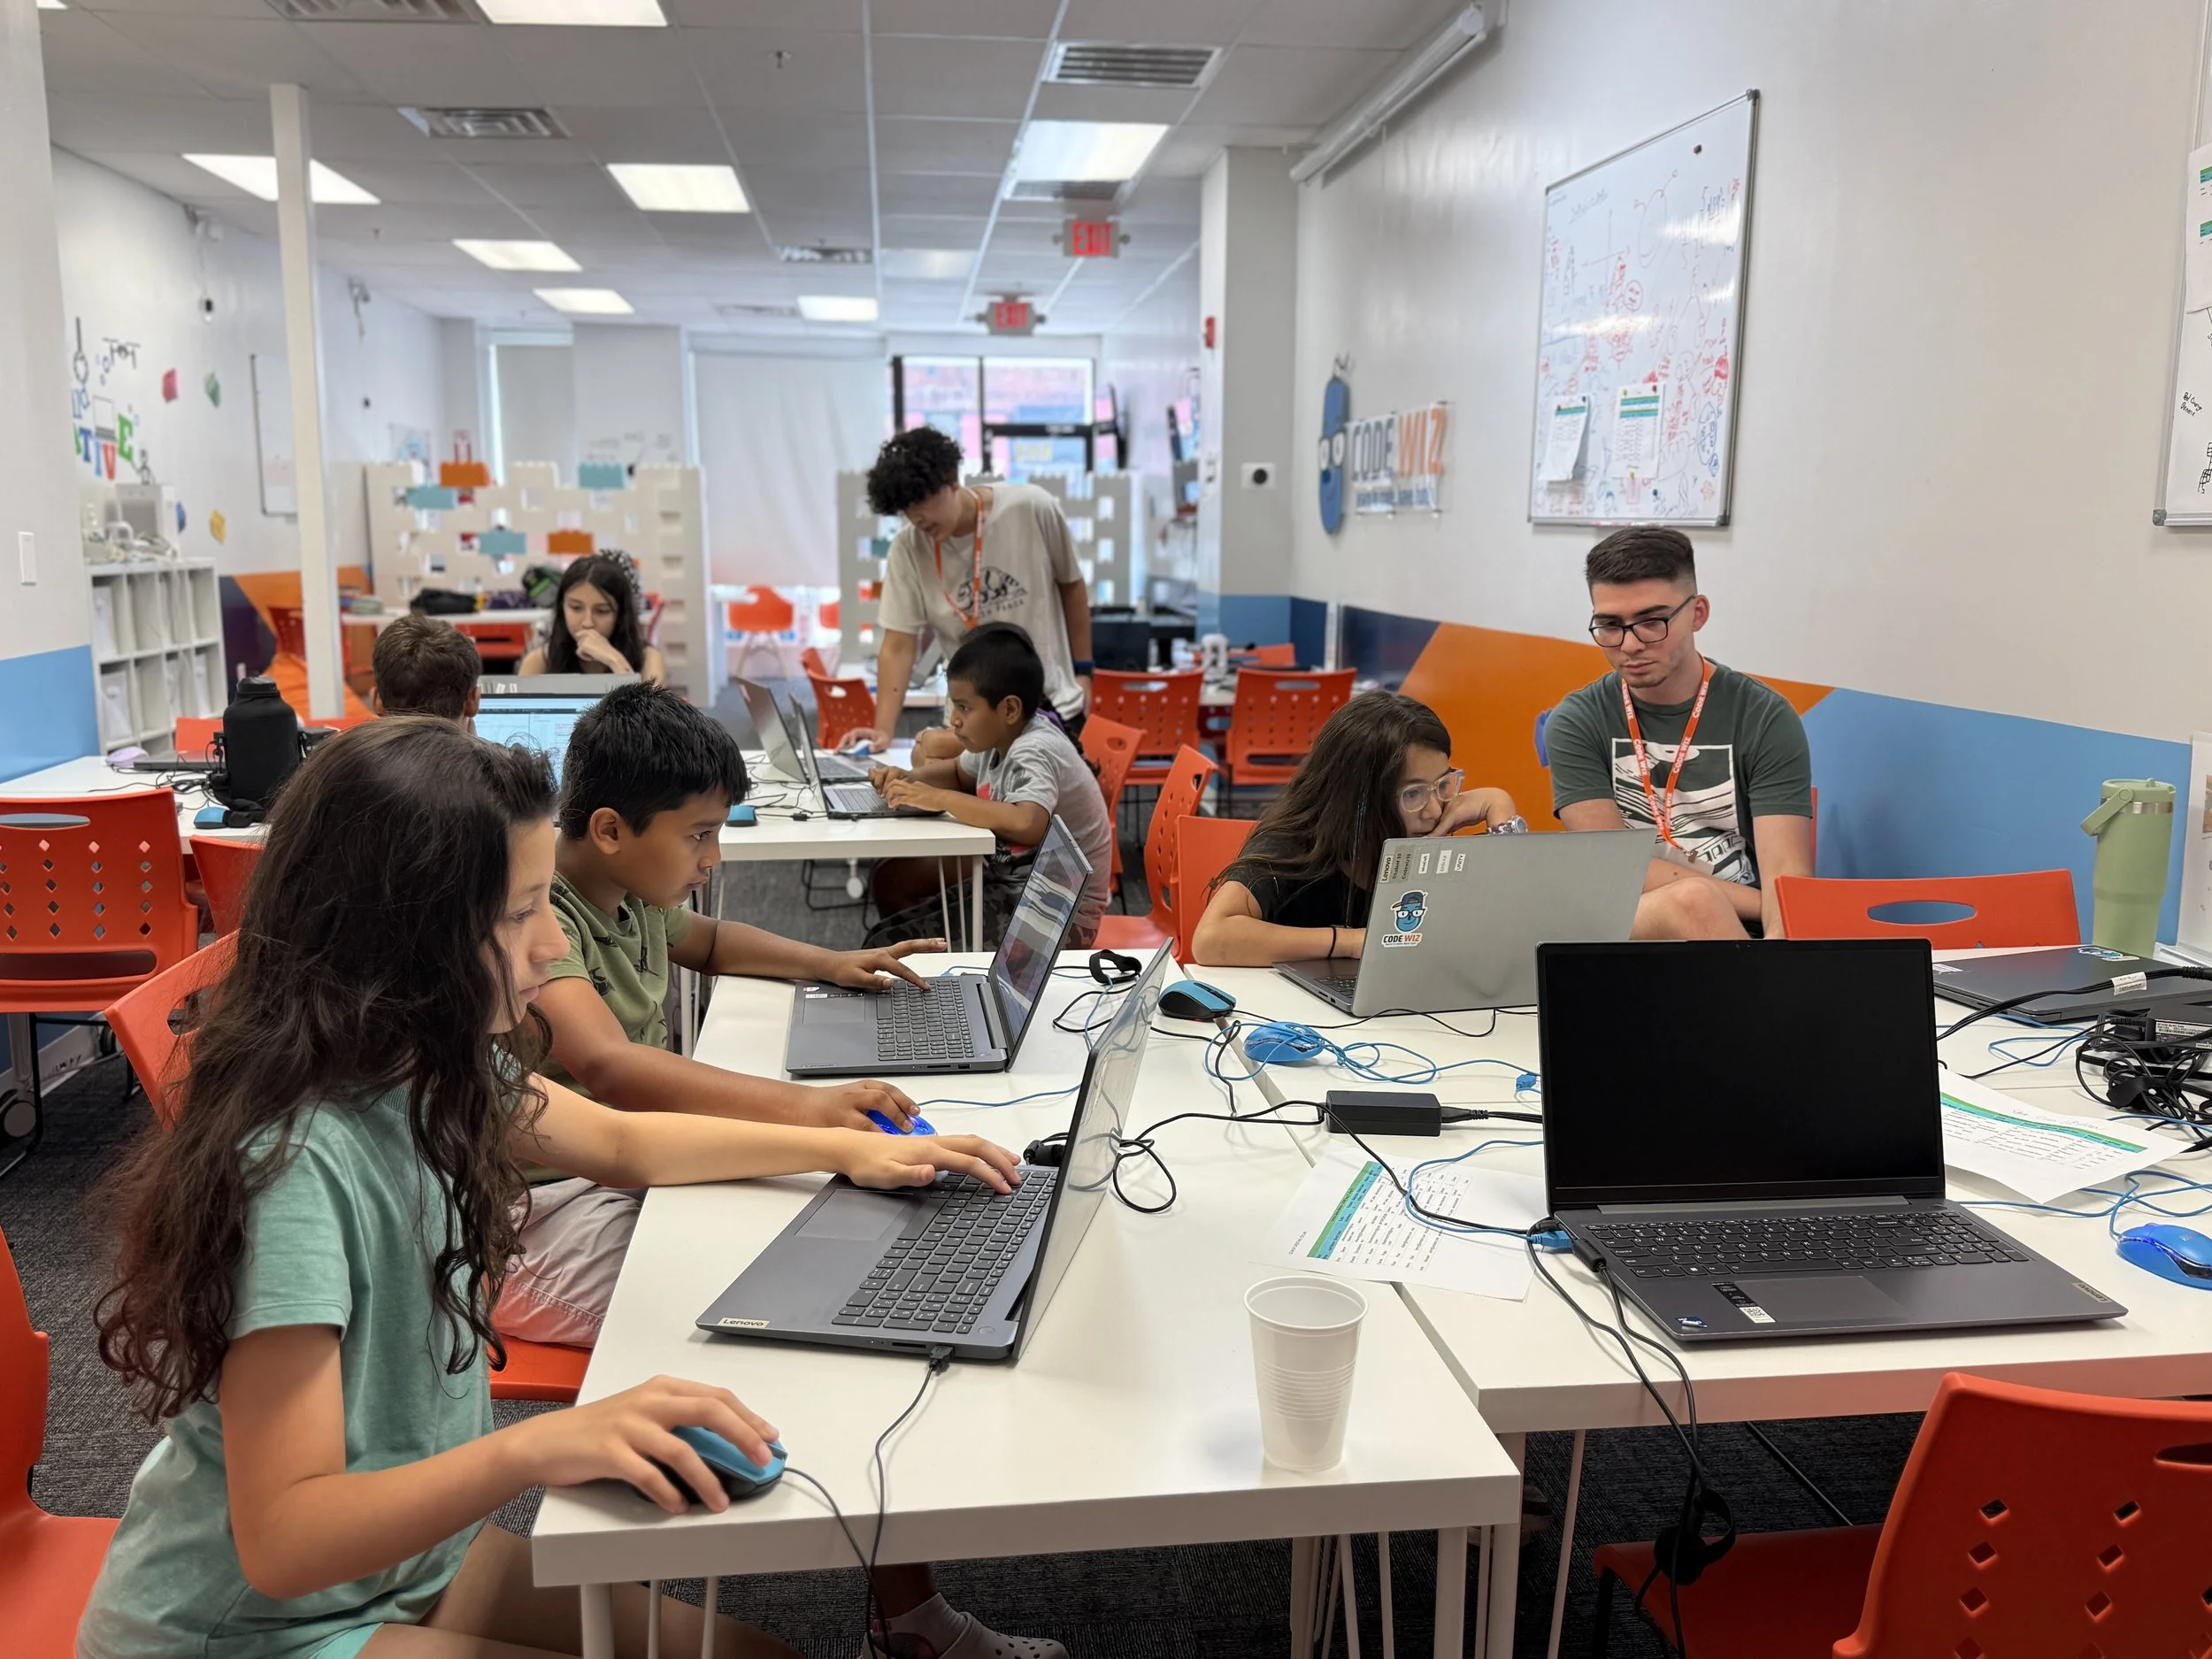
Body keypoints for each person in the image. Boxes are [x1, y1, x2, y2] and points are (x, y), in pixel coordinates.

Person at [78, 717, 1026, 1659]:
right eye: (521, 913)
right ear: (406, 934)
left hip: (413, 1563)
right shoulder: (294, 1168)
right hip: (249, 1626)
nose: (546, 949)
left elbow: (616, 1139)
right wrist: (533, 1450)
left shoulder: (432, 1064)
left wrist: (837, 1148)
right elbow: (286, 1541)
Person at [515, 683, 938, 1352]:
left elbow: (709, 941)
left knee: (795, 1227)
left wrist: (831, 962)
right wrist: (808, 1108)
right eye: (698, 835)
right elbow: (611, 1066)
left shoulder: (630, 887)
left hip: (624, 1161)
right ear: (610, 830)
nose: (713, 858)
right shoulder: (543, 920)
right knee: (752, 1298)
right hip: (547, 1204)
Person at [1546, 526, 1814, 939]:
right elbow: (1613, 869)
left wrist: (1778, 969)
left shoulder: (1764, 716)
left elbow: (1787, 886)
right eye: (1610, 625)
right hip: (1629, 923)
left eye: (1652, 622)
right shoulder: (1578, 720)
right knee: (1692, 904)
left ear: (1698, 613)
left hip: (1744, 935)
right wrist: (1747, 902)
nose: (1630, 645)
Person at [1190, 690, 1520, 967]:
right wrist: (1349, 941)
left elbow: (1514, 927)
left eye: (1443, 784)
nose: (1434, 810)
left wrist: (1501, 811)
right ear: (1357, 799)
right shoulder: (1295, 844)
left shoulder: (1427, 841)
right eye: (1413, 793)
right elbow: (1210, 939)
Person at [865, 623, 1115, 949]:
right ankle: (941, 986)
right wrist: (905, 780)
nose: (954, 719)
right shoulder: (997, 739)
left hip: (1061, 914)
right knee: (883, 936)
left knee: (886, 945)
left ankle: (944, 986)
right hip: (1019, 891)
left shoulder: (1033, 749)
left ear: (1009, 709)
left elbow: (1028, 823)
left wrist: (939, 797)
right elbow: (957, 772)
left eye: (964, 707)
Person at [860, 427, 1093, 752]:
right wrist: (882, 731)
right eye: (906, 509)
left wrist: (1084, 673)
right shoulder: (908, 549)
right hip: (969, 725)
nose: (917, 517)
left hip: (1049, 712)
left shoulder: (1032, 508)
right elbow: (898, 646)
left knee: (1032, 802)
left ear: (952, 479)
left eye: (922, 500)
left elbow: (1072, 585)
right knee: (932, 772)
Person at [520, 553, 667, 685]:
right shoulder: (540, 660)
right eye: (576, 608)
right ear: (562, 608)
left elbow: (650, 715)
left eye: (602, 611)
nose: (588, 623)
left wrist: (614, 660)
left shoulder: (648, 658)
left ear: (620, 615)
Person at [370, 613, 480, 725]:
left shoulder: (355, 741)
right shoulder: (486, 742)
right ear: (473, 701)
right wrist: (474, 742)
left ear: (377, 701)